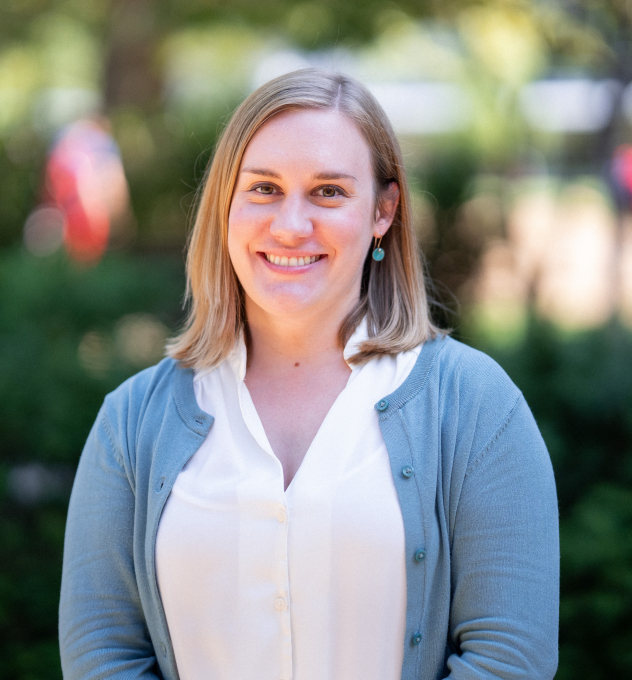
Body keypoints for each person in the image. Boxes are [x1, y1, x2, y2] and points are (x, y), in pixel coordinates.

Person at [59, 69, 559, 680]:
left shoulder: (478, 409)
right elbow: (103, 658)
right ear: (226, 205)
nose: (291, 225)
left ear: (383, 211)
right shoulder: (131, 422)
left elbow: (510, 660)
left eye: (328, 192)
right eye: (264, 189)